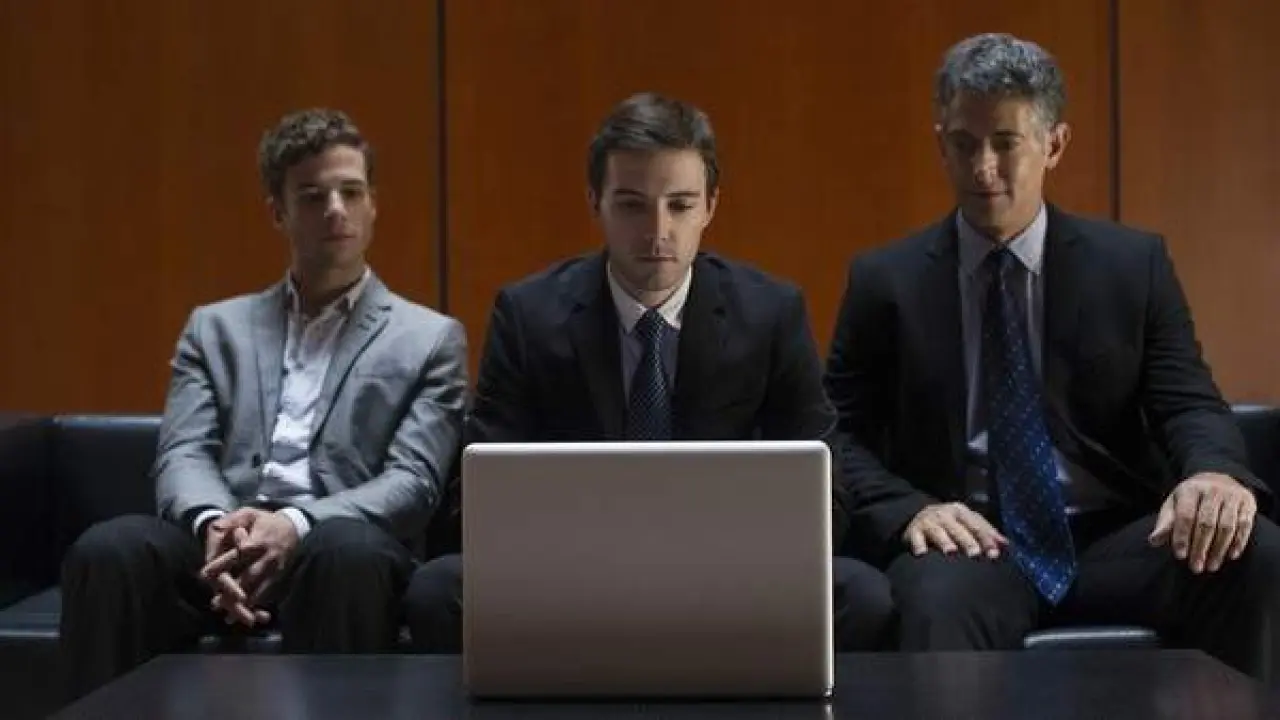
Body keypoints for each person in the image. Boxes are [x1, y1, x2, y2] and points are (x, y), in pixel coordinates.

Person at [825, 32, 1280, 678]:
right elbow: (838, 434)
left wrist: (1214, 473)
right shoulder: (885, 282)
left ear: (1055, 144)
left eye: (1005, 142)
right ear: (941, 144)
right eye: (964, 143)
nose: (983, 168)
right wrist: (912, 511)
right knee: (931, 600)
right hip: (970, 542)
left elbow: (1188, 402)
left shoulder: (1132, 266)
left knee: (1254, 554)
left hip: (1115, 535)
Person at [404, 92, 896, 653]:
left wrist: (738, 549)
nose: (658, 231)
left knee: (863, 597)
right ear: (595, 202)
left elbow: (827, 487)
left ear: (710, 206)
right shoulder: (528, 314)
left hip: (727, 569)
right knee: (437, 590)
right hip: (573, 570)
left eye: (680, 205)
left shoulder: (770, 312)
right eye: (632, 205)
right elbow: (478, 494)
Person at [59, 108, 469, 699]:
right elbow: (183, 452)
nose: (336, 210)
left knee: (344, 552)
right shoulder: (215, 328)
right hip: (221, 540)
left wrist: (294, 525)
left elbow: (414, 481)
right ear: (278, 211)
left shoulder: (429, 338)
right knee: (110, 549)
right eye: (313, 196)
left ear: (373, 204)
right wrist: (216, 525)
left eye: (351, 192)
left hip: (338, 544)